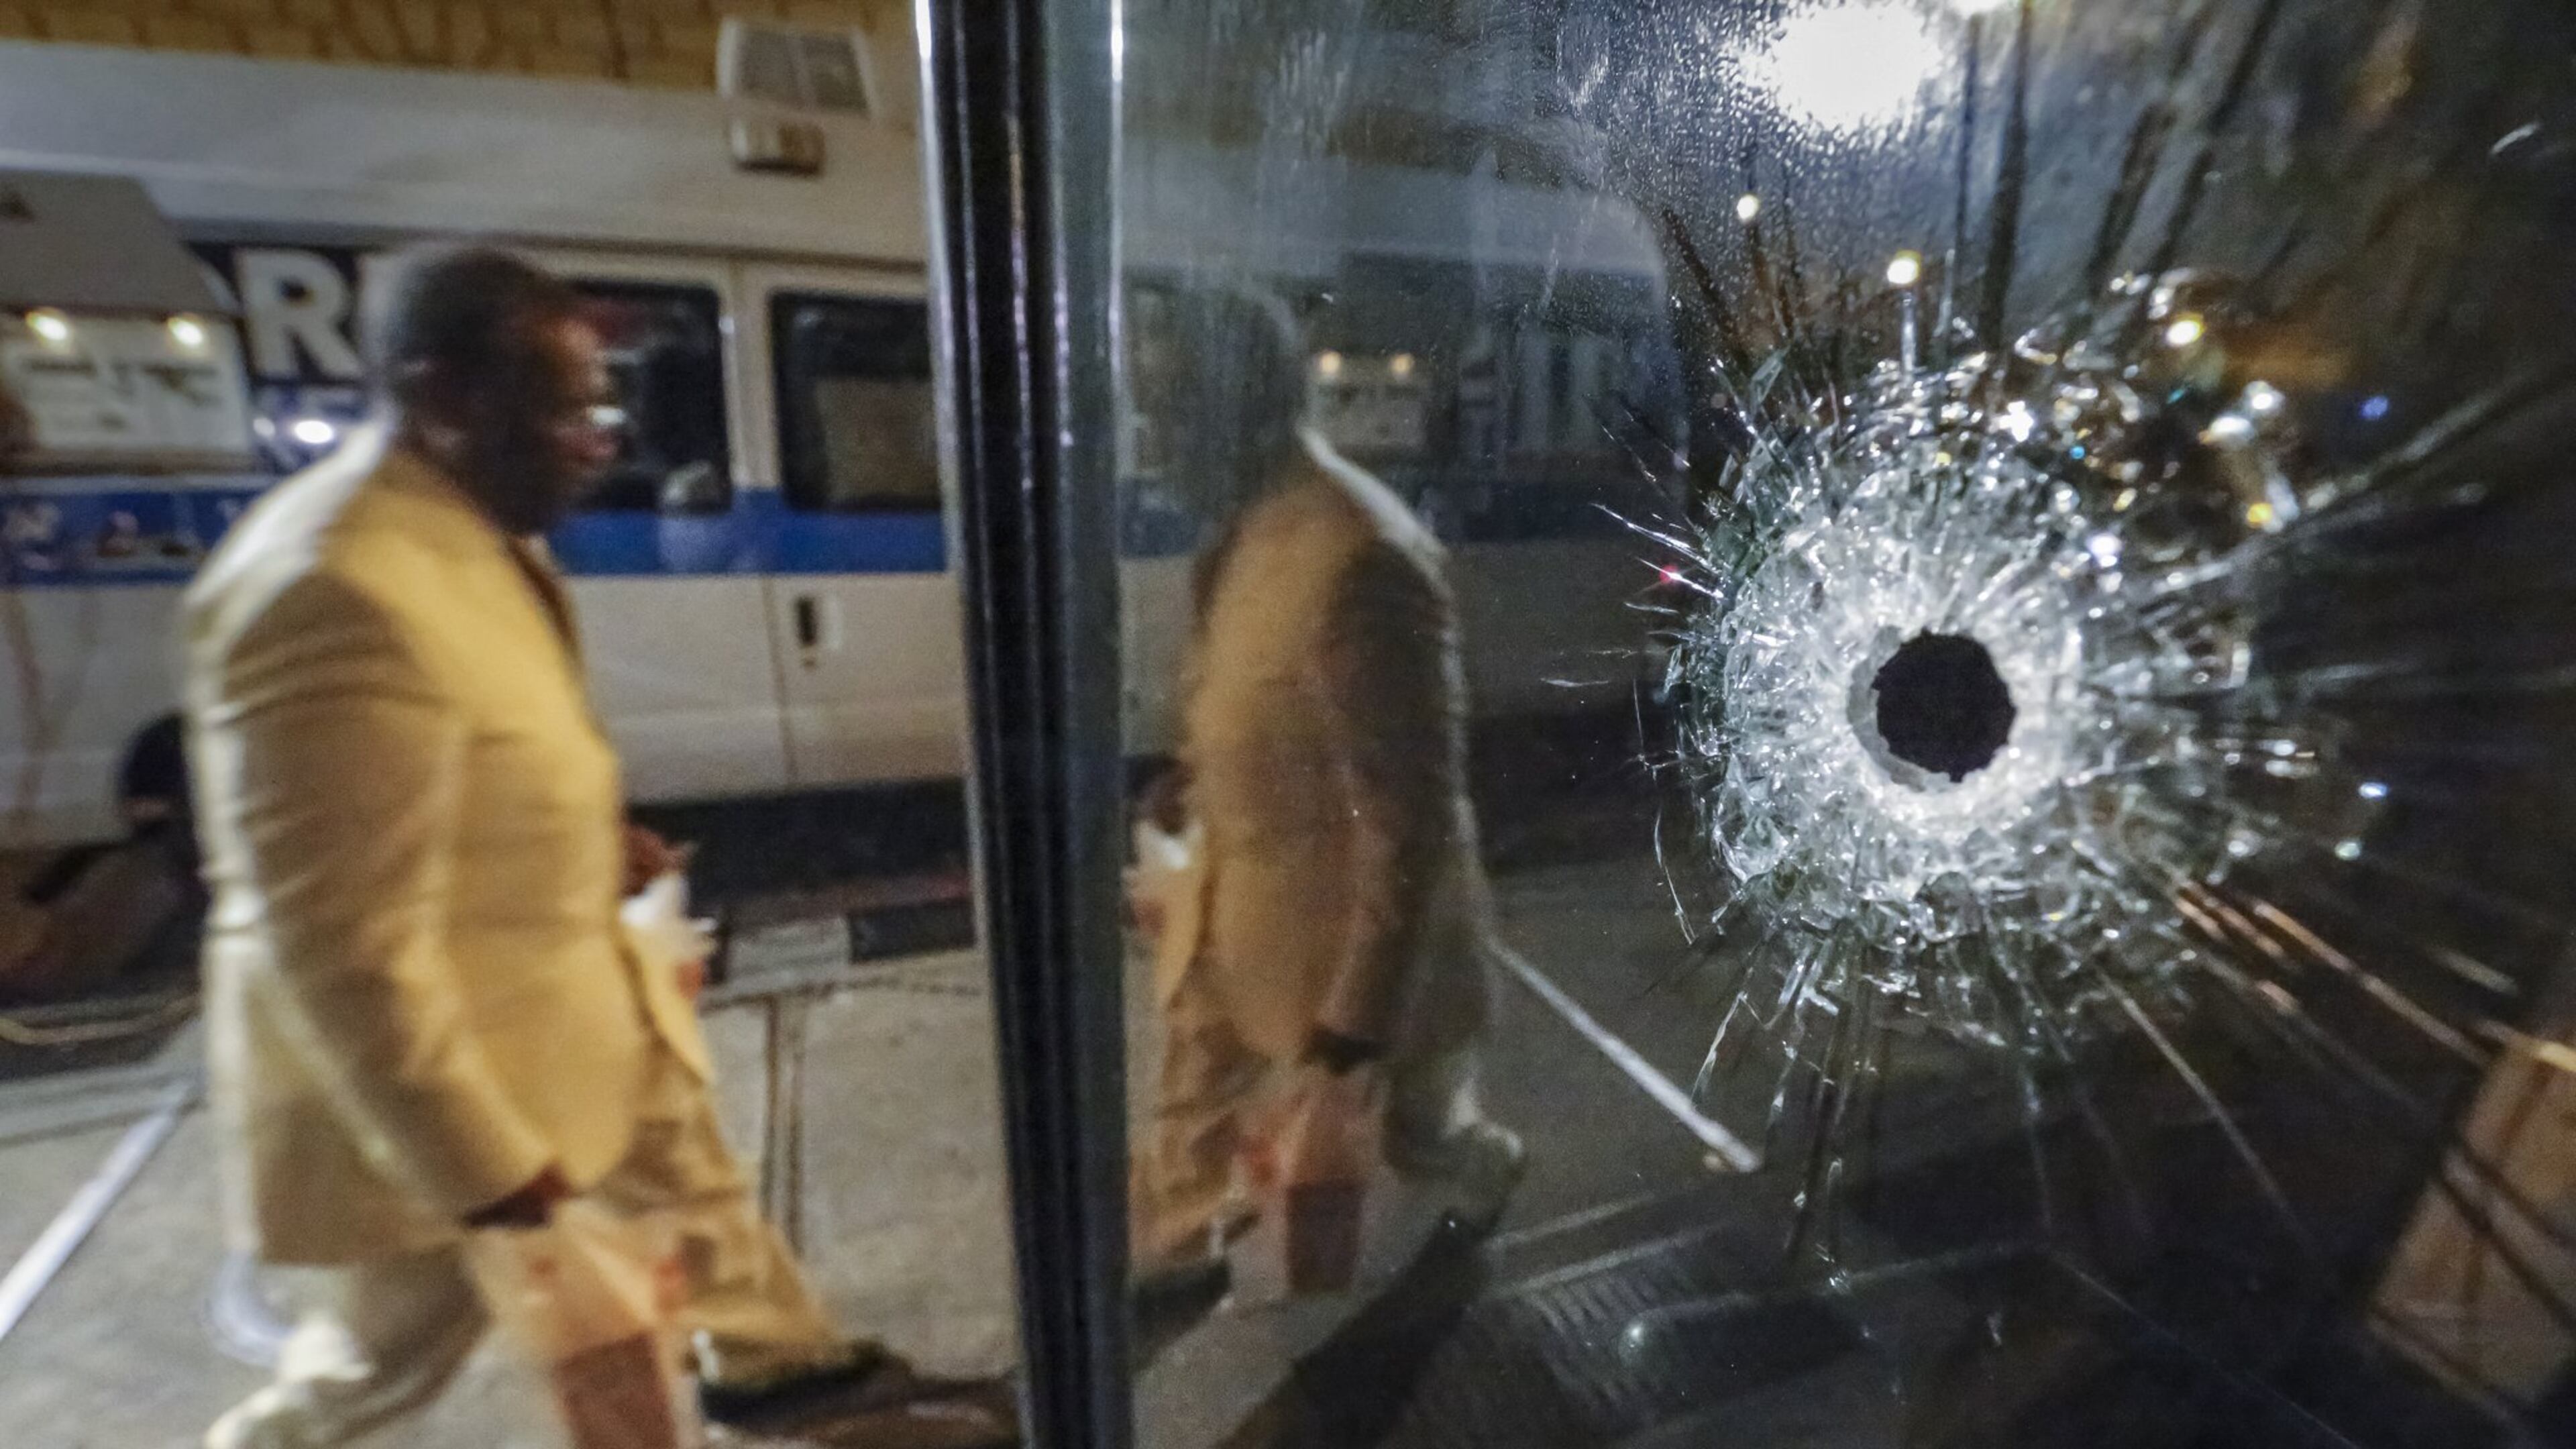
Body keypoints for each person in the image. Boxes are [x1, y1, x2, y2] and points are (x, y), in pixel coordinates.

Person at [186, 246, 1013, 1448]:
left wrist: (585, 840)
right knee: (380, 1360)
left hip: (567, 1003)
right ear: (448, 393)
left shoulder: (458, 525)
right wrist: (489, 1174)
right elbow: (337, 943)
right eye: (565, 406)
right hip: (449, 1070)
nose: (598, 439)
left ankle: (781, 1367)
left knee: (689, 1179)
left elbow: (458, 766)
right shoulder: (333, 588)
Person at [1131, 286, 1527, 1300]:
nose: (1151, 440)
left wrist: (1352, 1026)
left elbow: (1413, 820)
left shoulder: (1363, 558)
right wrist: (1196, 779)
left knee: (1422, 1134)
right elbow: (1255, 703)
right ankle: (1165, 1266)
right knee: (1189, 1116)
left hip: (1343, 955)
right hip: (1225, 913)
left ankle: (1482, 1169)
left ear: (1242, 405)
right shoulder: (1239, 534)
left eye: (1168, 411)